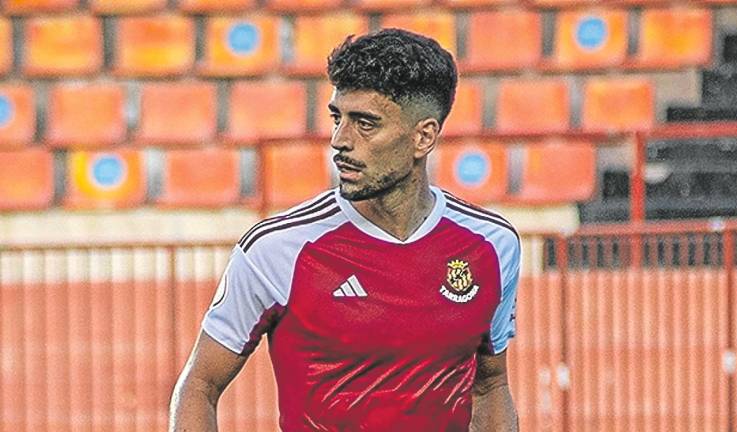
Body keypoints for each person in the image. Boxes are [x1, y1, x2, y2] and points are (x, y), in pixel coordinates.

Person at [169, 28, 520, 432]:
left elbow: (490, 385)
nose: (339, 140)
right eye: (338, 117)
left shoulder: (492, 245)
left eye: (365, 124)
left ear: (423, 137)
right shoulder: (276, 249)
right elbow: (199, 384)